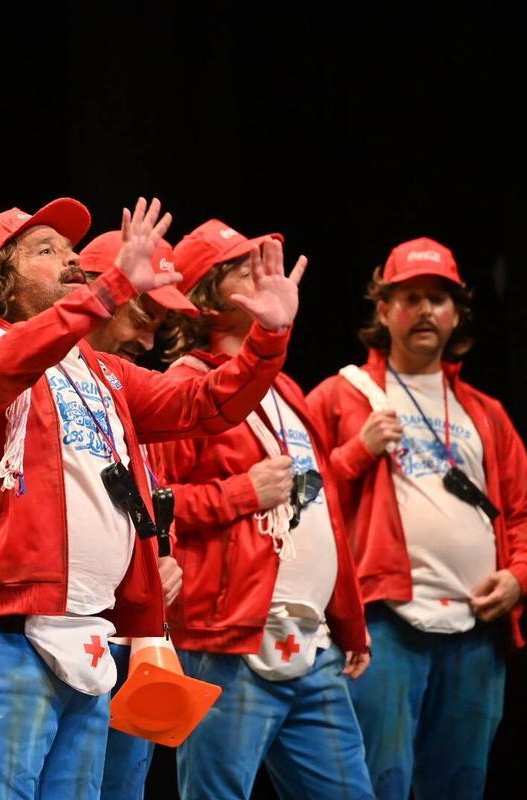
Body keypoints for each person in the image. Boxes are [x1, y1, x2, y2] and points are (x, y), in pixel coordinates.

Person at [0, 197, 301, 799]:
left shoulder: (100, 372)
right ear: (0, 279)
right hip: (8, 634)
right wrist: (107, 292)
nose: (70, 260)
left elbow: (205, 405)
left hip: (92, 632)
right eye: (46, 250)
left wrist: (269, 338)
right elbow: (9, 361)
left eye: (71, 251)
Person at [307, 236, 527, 800]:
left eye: (437, 299)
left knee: (462, 785)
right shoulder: (340, 397)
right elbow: (297, 500)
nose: (424, 311)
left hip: (475, 629)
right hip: (384, 623)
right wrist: (356, 452)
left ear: (457, 313)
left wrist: (521, 577)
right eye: (409, 297)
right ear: (383, 310)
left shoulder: (485, 413)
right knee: (379, 782)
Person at [152, 219, 371, 800]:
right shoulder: (183, 385)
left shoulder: (288, 391)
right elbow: (155, 508)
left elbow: (324, 512)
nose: (264, 277)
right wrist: (243, 493)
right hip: (228, 641)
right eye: (243, 272)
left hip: (313, 640)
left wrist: (350, 622)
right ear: (205, 300)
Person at [76, 229, 193, 800]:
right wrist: (246, 494)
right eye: (143, 316)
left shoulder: (128, 396)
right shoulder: (38, 385)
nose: (148, 341)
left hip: (134, 643)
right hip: (60, 640)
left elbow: (153, 502)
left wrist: (163, 559)